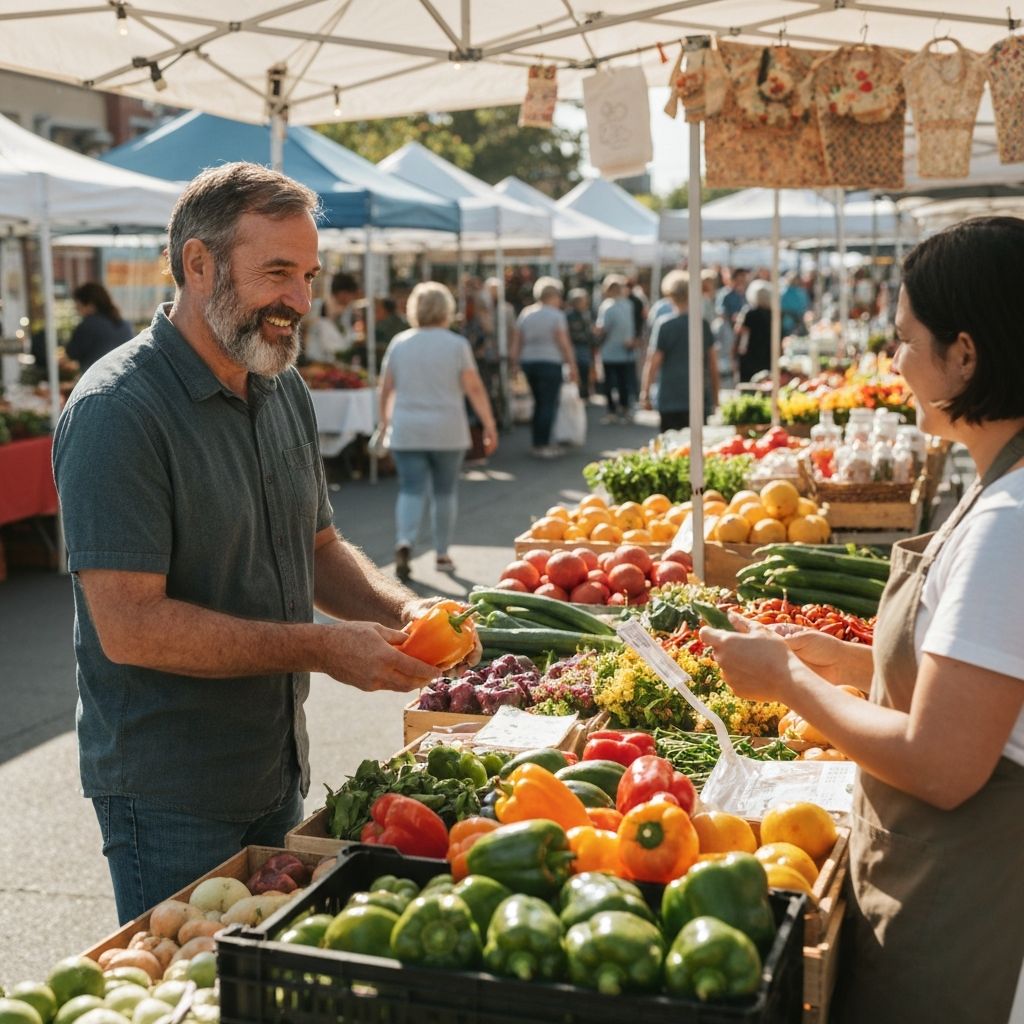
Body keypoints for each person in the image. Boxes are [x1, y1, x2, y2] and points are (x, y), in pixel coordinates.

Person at [51, 162, 449, 924]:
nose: (299, 300)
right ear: (197, 265)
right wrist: (323, 648)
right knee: (188, 994)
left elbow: (321, 547)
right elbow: (130, 627)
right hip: (169, 791)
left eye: (308, 274)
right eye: (277, 272)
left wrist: (408, 613)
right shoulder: (117, 411)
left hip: (275, 766)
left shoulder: (279, 384)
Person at [698, 216, 1024, 1024]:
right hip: (947, 879)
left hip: (962, 909)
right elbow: (983, 689)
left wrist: (790, 682)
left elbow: (944, 765)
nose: (894, 364)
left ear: (967, 354)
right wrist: (852, 666)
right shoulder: (998, 496)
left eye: (905, 340)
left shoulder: (1007, 523)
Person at [378, 282, 497, 576]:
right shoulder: (456, 344)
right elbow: (474, 388)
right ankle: (442, 553)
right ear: (447, 310)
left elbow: (386, 389)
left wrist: (384, 424)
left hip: (407, 428)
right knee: (445, 491)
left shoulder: (400, 342)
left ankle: (405, 540)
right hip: (448, 429)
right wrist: (489, 424)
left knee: (411, 488)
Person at [639, 270, 720, 432]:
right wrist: (716, 397)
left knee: (672, 448)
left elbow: (653, 362)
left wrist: (645, 393)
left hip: (670, 397)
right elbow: (712, 364)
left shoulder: (664, 325)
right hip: (698, 397)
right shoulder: (702, 324)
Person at [510, 276, 578, 458]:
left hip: (529, 362)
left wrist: (515, 363)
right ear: (554, 295)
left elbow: (517, 341)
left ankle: (537, 441)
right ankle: (543, 443)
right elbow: (564, 343)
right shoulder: (557, 316)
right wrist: (572, 365)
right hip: (550, 362)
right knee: (547, 404)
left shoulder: (526, 313)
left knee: (539, 403)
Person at [595, 275, 638, 424]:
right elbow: (631, 326)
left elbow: (602, 329)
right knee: (623, 381)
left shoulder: (607, 306)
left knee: (610, 382)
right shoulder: (628, 304)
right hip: (625, 349)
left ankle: (612, 411)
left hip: (610, 350)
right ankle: (625, 409)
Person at [66, 282, 133, 372]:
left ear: (90, 305)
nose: (77, 310)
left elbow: (71, 353)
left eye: (78, 306)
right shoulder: (125, 325)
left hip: (97, 381)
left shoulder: (88, 325)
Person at [301, 270, 359, 364]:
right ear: (342, 293)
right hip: (316, 362)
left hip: (338, 363)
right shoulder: (316, 308)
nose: (351, 299)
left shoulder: (348, 312)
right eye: (350, 295)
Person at [734, 279, 772, 383]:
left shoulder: (749, 313)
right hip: (768, 354)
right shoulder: (773, 314)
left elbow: (740, 331)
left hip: (750, 354)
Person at [565, 287, 596, 400]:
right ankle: (576, 393)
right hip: (574, 346)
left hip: (585, 347)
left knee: (585, 369)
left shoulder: (587, 314)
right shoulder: (568, 315)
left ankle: (584, 393)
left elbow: (590, 331)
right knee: (575, 369)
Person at [780, 271, 809, 337]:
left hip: (789, 324)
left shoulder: (783, 292)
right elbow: (805, 308)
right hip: (793, 323)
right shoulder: (801, 292)